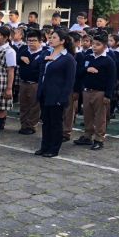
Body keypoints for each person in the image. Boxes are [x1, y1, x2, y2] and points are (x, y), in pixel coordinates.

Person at [36, 29, 76, 157]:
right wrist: (46, 59)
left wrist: (63, 98)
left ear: (62, 41)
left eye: (54, 37)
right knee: (46, 121)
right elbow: (37, 65)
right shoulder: (48, 53)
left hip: (57, 95)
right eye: (50, 37)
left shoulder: (68, 58)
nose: (51, 39)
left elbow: (69, 81)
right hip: (45, 93)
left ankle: (53, 149)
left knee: (56, 123)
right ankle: (44, 146)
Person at [74, 32, 116, 150]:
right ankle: (87, 136)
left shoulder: (108, 61)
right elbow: (79, 72)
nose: (94, 46)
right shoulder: (88, 57)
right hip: (87, 91)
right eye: (93, 44)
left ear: (104, 46)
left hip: (100, 92)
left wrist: (108, 95)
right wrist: (87, 69)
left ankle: (99, 139)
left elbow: (111, 79)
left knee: (100, 117)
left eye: (97, 44)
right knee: (87, 115)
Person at [16, 29, 46, 136]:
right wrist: (21, 57)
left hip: (35, 84)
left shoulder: (44, 52)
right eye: (29, 40)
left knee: (34, 106)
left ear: (40, 41)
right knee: (24, 105)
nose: (31, 43)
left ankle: (31, 126)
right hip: (23, 82)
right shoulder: (24, 49)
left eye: (34, 40)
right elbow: (16, 58)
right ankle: (23, 124)